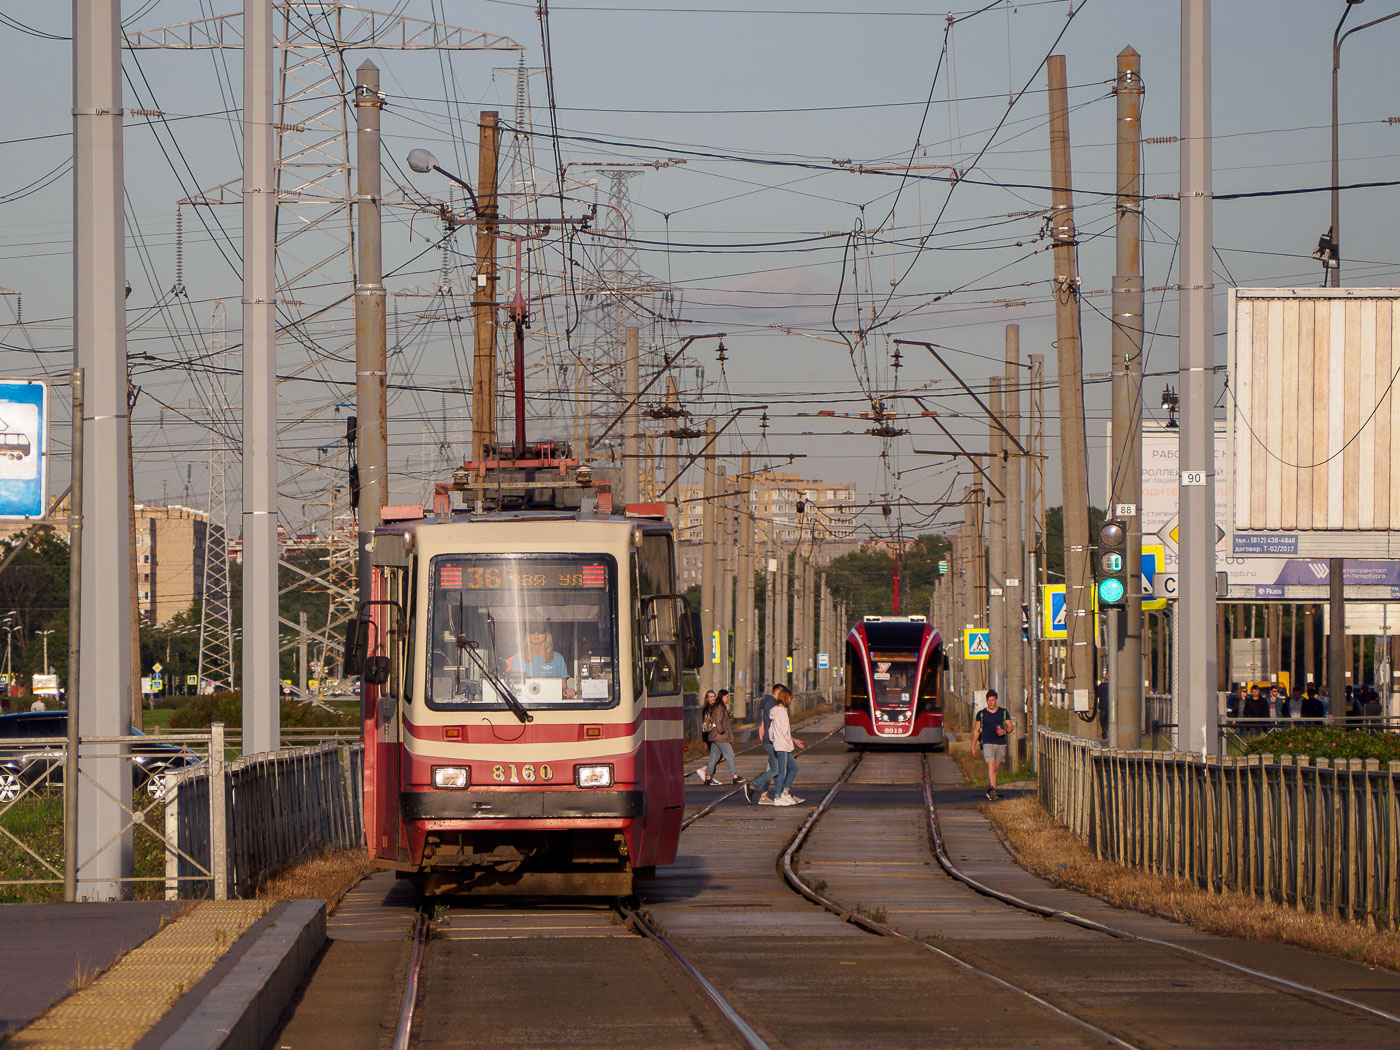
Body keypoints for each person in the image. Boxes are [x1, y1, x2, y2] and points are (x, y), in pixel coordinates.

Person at [507, 622, 574, 696]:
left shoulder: (558, 658)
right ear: (527, 634)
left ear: (546, 634)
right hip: (525, 703)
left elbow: (563, 689)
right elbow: (513, 686)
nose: (536, 633)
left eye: (540, 630)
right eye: (532, 630)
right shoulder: (518, 658)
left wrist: (567, 692)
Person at [744, 683, 784, 805]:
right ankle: (752, 786)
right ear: (778, 692)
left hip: (771, 739)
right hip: (772, 740)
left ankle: (765, 795)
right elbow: (774, 724)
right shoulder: (771, 705)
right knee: (776, 769)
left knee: (772, 767)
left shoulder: (768, 703)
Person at [769, 686, 806, 805]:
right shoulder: (783, 713)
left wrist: (774, 740)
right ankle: (778, 797)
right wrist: (790, 744)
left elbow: (771, 730)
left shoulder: (775, 711)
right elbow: (786, 732)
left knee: (794, 767)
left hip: (778, 745)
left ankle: (785, 792)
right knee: (782, 771)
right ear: (786, 698)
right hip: (783, 746)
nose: (790, 701)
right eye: (790, 698)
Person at [974, 689, 1012, 801]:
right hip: (987, 742)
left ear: (996, 700)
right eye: (989, 700)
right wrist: (973, 746)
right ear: (986, 701)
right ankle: (994, 789)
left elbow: (1010, 726)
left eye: (993, 700)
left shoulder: (1003, 712)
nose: (991, 703)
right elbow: (977, 730)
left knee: (996, 767)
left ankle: (990, 788)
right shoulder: (981, 714)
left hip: (1000, 743)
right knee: (991, 764)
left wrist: (1005, 731)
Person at [701, 690, 745, 786]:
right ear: (723, 697)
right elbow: (718, 721)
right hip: (720, 736)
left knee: (714, 757)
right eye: (727, 696)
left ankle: (708, 778)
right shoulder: (720, 707)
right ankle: (735, 776)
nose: (728, 699)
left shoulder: (717, 707)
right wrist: (722, 731)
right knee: (730, 755)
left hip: (714, 736)